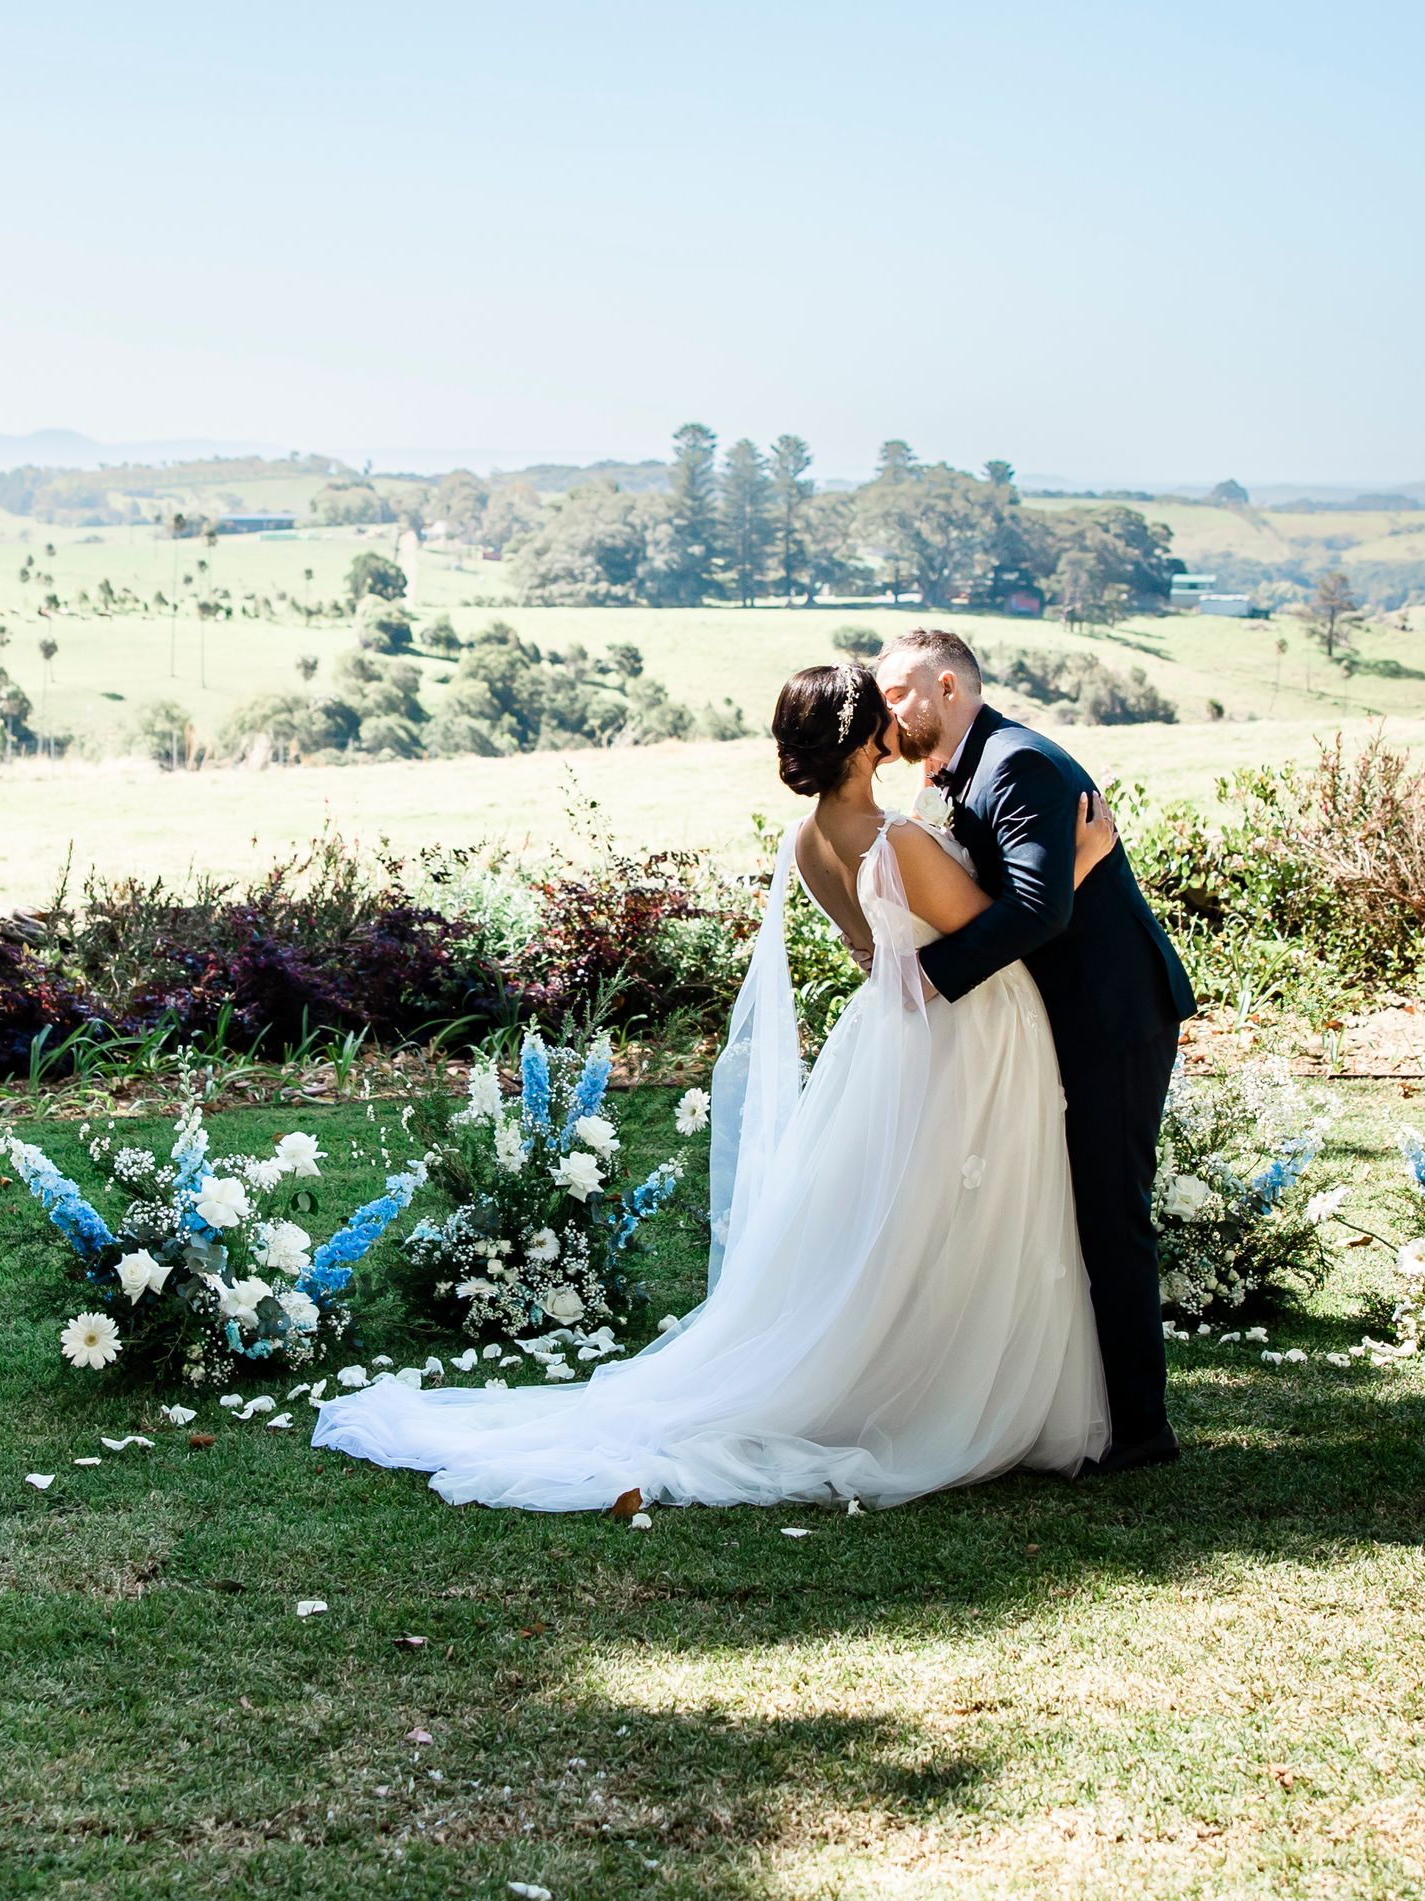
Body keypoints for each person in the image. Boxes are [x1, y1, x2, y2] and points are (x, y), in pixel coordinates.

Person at [313, 662, 1119, 1510]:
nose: (894, 713)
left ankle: (905, 1361)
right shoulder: (898, 841)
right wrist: (1082, 858)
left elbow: (874, 955)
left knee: (901, 1216)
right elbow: (994, 932)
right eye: (878, 707)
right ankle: (938, 1386)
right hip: (969, 1033)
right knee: (955, 1212)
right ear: (858, 740)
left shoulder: (810, 841)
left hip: (893, 1037)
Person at [872, 627, 1195, 1472]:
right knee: (1058, 1202)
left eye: (899, 692)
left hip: (1110, 1015)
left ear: (949, 685)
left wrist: (925, 980)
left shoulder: (1019, 763)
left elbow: (1037, 911)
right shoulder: (949, 772)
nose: (888, 709)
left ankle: (1140, 1428)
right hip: (1046, 1017)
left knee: (1108, 1209)